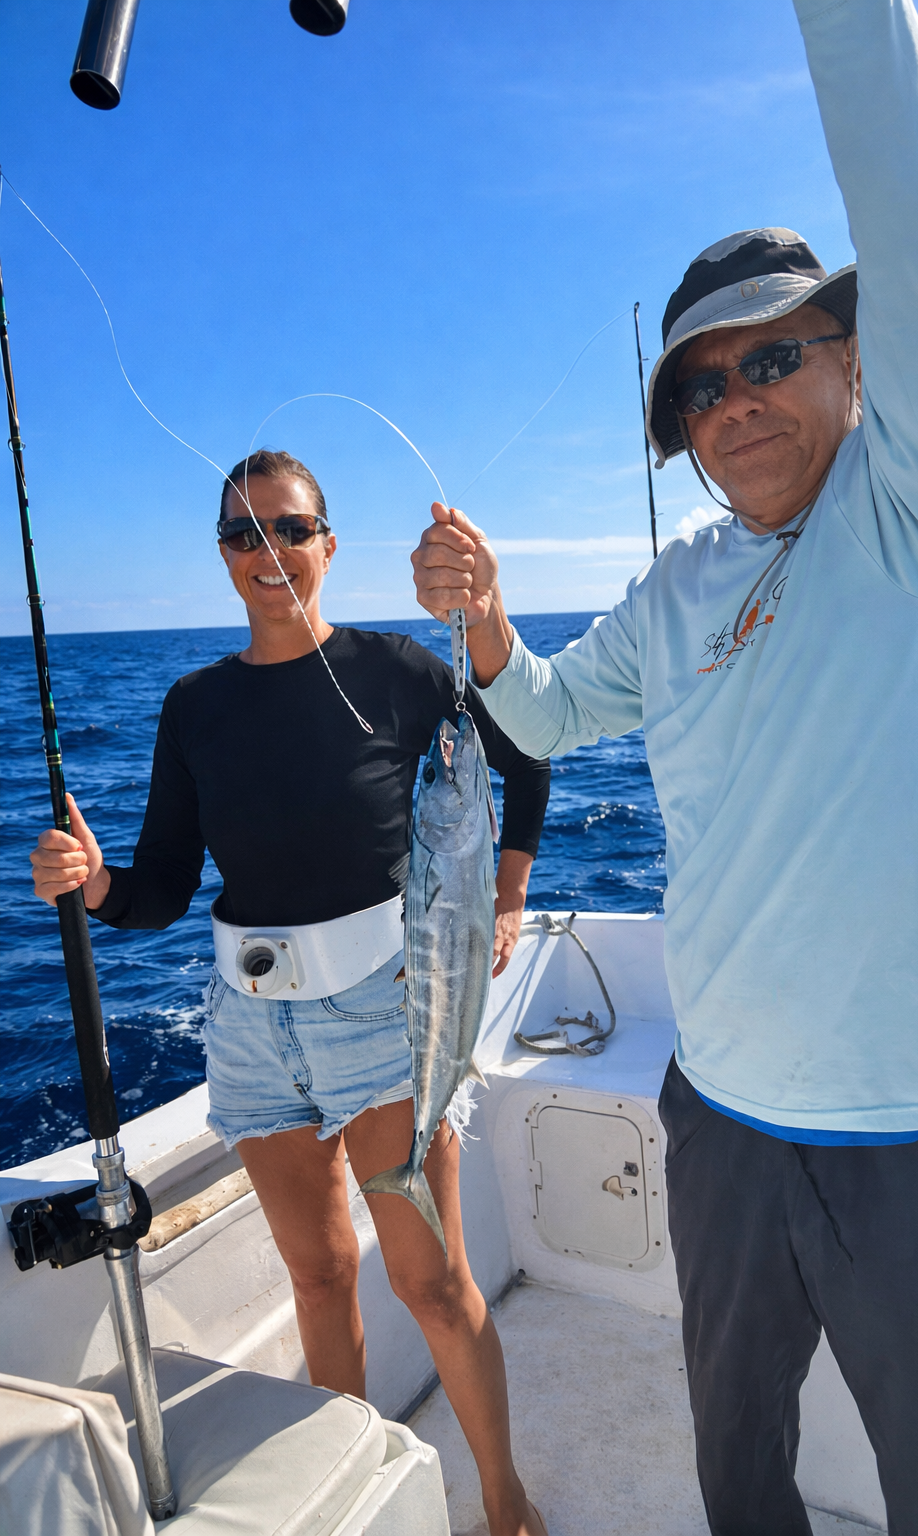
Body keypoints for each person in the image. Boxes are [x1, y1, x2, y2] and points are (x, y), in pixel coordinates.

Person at [410, 2, 918, 1532]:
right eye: (700, 383)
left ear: (860, 365)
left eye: (775, 355)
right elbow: (543, 718)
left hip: (915, 1147)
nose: (735, 396)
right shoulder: (675, 589)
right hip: (719, 1121)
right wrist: (486, 624)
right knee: (739, 1481)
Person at [31, 449, 550, 1536]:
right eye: (243, 534)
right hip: (250, 1030)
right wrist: (96, 887)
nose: (269, 553)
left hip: (384, 1015)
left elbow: (527, 757)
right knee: (318, 1280)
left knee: (432, 1285)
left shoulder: (399, 669)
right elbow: (164, 885)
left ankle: (505, 1506)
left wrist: (504, 900)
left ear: (328, 542)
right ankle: (354, 1495)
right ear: (222, 557)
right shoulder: (193, 705)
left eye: (289, 528)